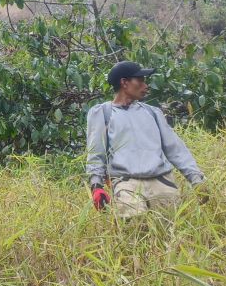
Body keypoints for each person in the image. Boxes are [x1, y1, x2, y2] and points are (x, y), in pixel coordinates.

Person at [86, 61, 206, 219]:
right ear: (124, 83)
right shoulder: (103, 113)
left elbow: (176, 149)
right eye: (140, 80)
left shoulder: (153, 113)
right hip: (126, 183)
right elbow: (96, 152)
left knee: (169, 236)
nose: (145, 85)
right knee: (134, 232)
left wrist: (196, 179)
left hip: (162, 183)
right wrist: (96, 185)